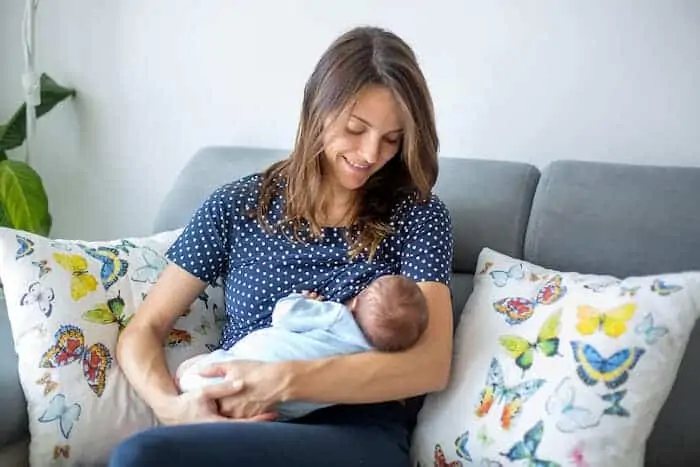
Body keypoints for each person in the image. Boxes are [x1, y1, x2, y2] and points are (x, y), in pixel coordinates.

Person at [109, 25, 454, 467]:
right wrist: (173, 409)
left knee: (141, 458)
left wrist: (282, 381)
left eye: (392, 139)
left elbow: (431, 365)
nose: (371, 153)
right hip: (239, 424)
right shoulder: (238, 206)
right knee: (140, 456)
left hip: (354, 430)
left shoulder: (417, 215)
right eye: (355, 128)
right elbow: (144, 330)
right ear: (317, 111)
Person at [175, 274, 430, 420]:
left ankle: (186, 379)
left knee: (188, 369)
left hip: (226, 370)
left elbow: (283, 315)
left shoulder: (336, 315)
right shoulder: (368, 361)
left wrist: (301, 299)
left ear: (358, 299)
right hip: (275, 413)